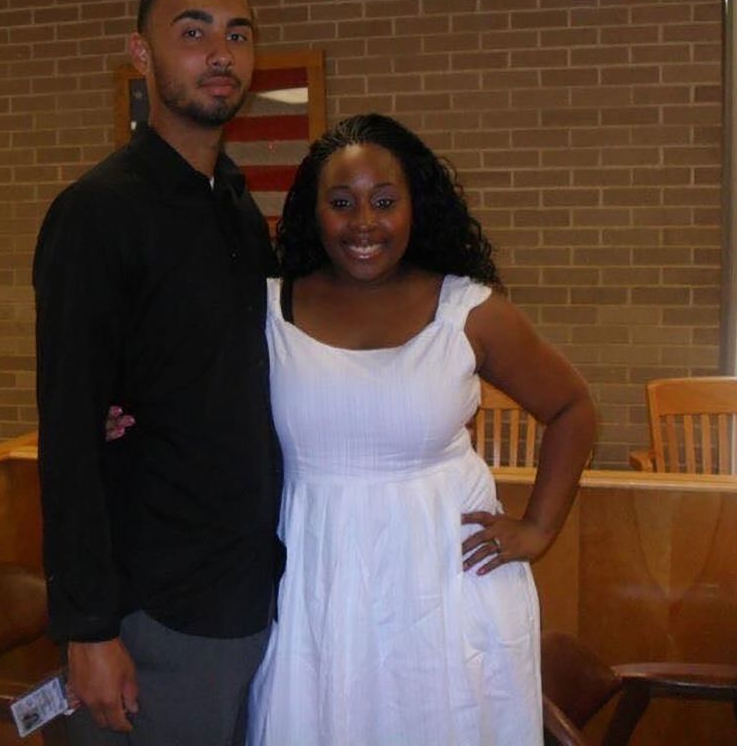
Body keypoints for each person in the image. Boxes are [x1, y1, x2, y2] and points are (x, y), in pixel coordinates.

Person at [247, 114, 596, 746]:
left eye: (385, 201)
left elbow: (573, 408)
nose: (364, 223)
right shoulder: (269, 307)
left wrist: (539, 527)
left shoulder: (469, 310)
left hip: (448, 584)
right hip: (315, 578)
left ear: (415, 206)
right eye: (341, 202)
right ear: (311, 211)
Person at [33, 0, 283, 746]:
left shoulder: (239, 208)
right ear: (140, 56)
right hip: (152, 612)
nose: (220, 52)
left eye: (236, 35)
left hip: (245, 593)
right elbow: (69, 436)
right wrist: (88, 630)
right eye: (193, 32)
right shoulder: (97, 214)